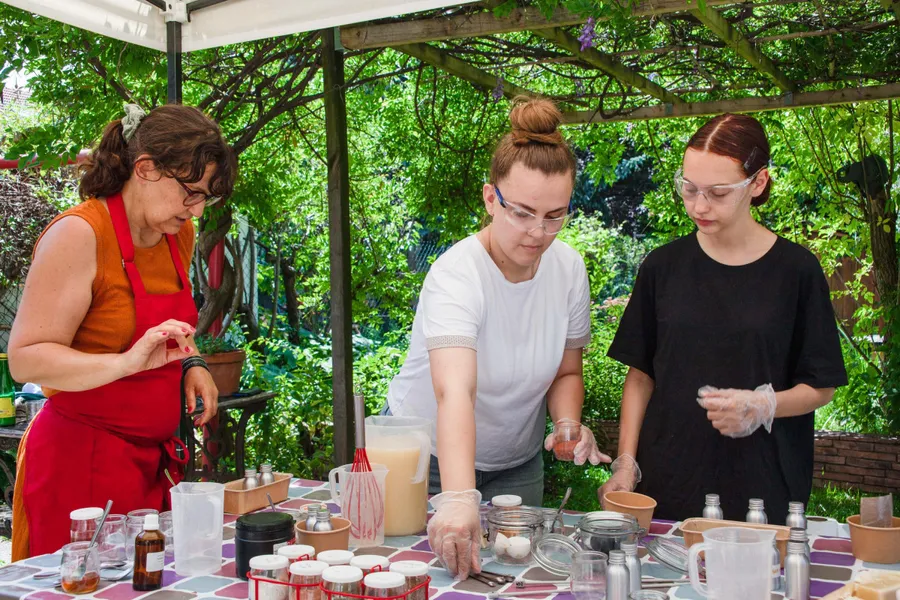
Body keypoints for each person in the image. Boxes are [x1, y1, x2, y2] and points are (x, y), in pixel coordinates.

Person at [386, 97, 609, 580]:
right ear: (491, 199)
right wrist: (460, 498)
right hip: (428, 457)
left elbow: (568, 369)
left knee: (516, 574)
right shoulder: (456, 274)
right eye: (523, 213)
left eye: (555, 216)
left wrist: (567, 425)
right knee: (425, 576)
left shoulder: (568, 268)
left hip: (517, 458)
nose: (538, 232)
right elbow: (455, 391)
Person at [8, 103, 237, 559]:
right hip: (78, 464)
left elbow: (165, 329)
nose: (194, 210)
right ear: (147, 169)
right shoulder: (79, 234)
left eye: (205, 198)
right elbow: (26, 358)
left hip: (148, 462)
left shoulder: (176, 234)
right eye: (190, 192)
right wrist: (126, 363)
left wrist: (191, 360)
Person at [600, 113, 847, 524]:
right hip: (668, 479)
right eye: (689, 189)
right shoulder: (663, 266)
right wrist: (626, 462)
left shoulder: (797, 271)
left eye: (717, 192)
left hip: (762, 487)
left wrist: (763, 405)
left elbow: (821, 387)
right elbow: (640, 375)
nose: (699, 205)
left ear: (758, 183)